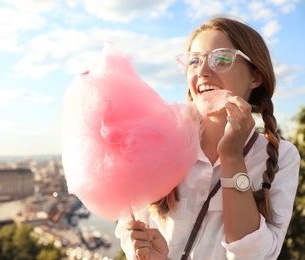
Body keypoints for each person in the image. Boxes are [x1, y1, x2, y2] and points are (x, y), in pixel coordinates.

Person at [115, 16, 300, 260]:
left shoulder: (281, 156)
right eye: (193, 61)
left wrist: (232, 156)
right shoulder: (160, 141)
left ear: (255, 77)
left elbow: (255, 256)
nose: (202, 72)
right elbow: (129, 231)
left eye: (222, 59)